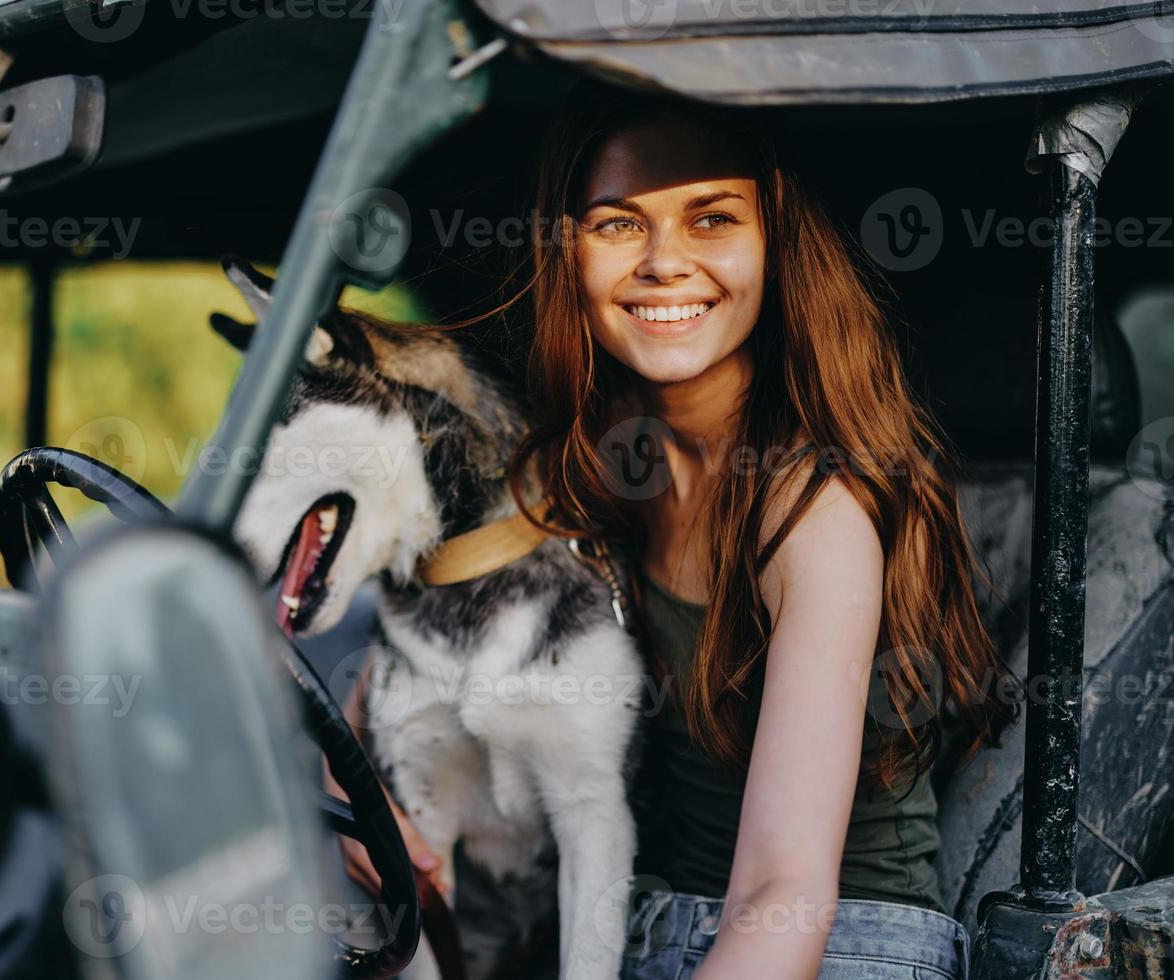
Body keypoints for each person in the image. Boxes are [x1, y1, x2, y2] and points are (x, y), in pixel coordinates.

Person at [328, 81, 1020, 979]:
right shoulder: (583, 464)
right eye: (618, 224)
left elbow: (785, 895)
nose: (663, 261)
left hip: (834, 947)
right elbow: (381, 686)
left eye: (711, 219)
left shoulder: (814, 510)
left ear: (775, 242)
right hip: (643, 927)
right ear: (568, 252)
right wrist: (350, 795)